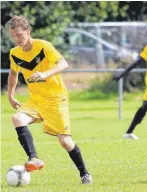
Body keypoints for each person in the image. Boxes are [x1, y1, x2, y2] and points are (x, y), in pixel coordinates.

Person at [6, 15, 92, 184]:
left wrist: (45, 74)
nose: (16, 39)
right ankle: (34, 159)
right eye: (13, 36)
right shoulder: (14, 53)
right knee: (17, 118)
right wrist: (10, 95)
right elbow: (13, 73)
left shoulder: (43, 46)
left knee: (65, 142)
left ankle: (84, 173)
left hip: (56, 99)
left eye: (19, 35)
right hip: (36, 100)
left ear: (28, 32)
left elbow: (63, 64)